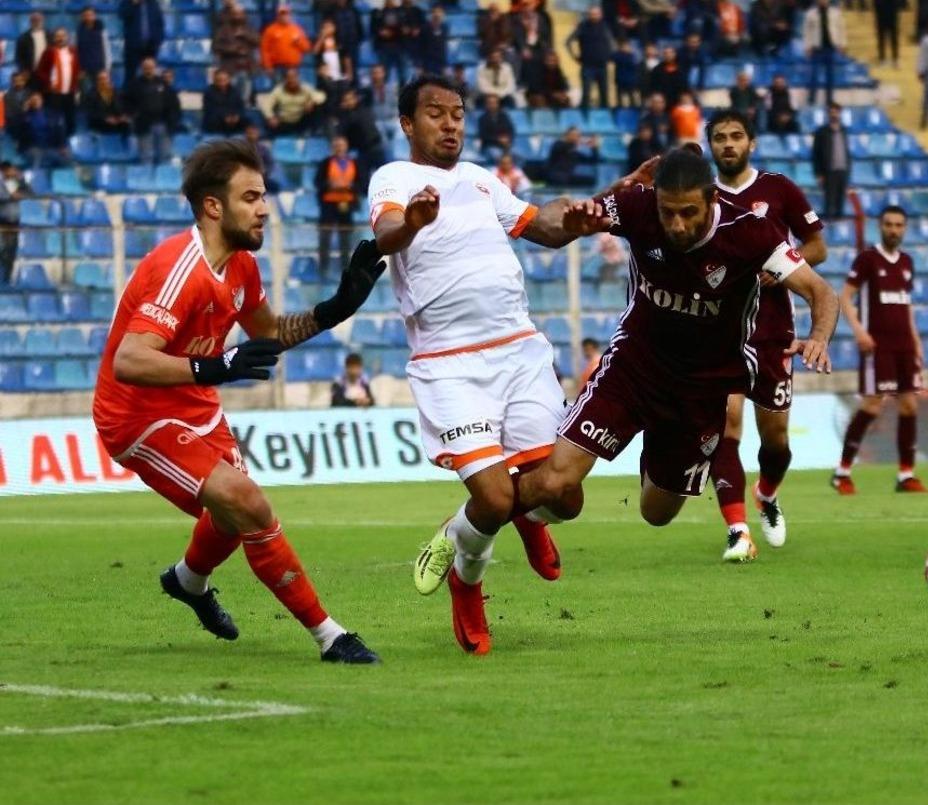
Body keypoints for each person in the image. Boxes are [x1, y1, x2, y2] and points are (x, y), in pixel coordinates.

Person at [91, 140, 386, 663]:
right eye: (251, 197)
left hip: (195, 403)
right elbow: (130, 361)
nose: (265, 208)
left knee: (231, 513)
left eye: (265, 196)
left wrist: (334, 310)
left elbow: (269, 332)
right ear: (213, 206)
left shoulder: (241, 267)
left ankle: (188, 581)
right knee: (247, 503)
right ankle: (330, 636)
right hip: (138, 415)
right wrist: (216, 366)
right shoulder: (178, 269)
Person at [507, 148, 836, 563]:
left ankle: (655, 451)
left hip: (701, 391)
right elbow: (554, 223)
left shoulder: (751, 232)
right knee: (555, 484)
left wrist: (819, 335)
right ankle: (473, 522)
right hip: (633, 369)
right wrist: (580, 217)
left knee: (656, 513)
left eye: (688, 213)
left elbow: (821, 292)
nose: (677, 225)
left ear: (712, 200)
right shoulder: (638, 205)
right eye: (668, 213)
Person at [369, 75, 595, 655]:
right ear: (407, 124)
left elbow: (539, 226)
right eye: (436, 114)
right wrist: (413, 222)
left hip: (519, 349)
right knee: (493, 499)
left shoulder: (479, 180)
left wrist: (590, 211)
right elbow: (387, 232)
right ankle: (467, 586)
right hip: (449, 362)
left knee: (565, 495)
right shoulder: (394, 179)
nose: (450, 125)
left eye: (458, 114)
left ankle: (527, 519)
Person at [706, 108, 832, 560]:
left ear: (751, 143)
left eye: (736, 136)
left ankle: (768, 494)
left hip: (773, 328)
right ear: (710, 145)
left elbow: (818, 246)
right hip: (718, 329)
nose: (728, 144)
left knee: (775, 441)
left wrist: (787, 267)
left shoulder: (778, 189)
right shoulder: (702, 198)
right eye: (719, 137)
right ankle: (737, 529)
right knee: (727, 424)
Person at [832, 205, 928, 495]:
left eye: (899, 225)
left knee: (910, 405)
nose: (894, 229)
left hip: (904, 345)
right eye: (889, 224)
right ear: (880, 226)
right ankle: (842, 472)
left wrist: (917, 342)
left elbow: (906, 305)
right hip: (878, 346)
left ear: (905, 229)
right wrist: (860, 331)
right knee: (872, 404)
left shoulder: (907, 262)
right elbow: (845, 297)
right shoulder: (868, 259)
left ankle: (906, 474)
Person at [316, 136, 362, 278]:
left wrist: (350, 186)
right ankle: (323, 269)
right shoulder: (326, 163)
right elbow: (318, 182)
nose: (339, 148)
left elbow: (361, 183)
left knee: (345, 238)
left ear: (346, 146)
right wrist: (330, 185)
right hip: (329, 204)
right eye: (336, 145)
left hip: (346, 204)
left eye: (342, 145)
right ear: (333, 147)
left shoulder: (354, 163)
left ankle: (346, 268)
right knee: (325, 237)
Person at [126, 57, 177, 165]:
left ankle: (164, 181)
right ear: (142, 68)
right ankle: (146, 181)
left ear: (155, 68)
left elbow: (173, 104)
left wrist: (171, 121)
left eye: (151, 67)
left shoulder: (163, 83)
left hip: (163, 124)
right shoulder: (134, 85)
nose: (148, 70)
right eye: (146, 67)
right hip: (144, 125)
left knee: (165, 156)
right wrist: (134, 115)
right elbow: (126, 102)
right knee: (146, 157)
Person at [566, 6, 614, 109]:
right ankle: (584, 118)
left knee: (604, 94)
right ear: (588, 15)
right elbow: (568, 42)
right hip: (588, 65)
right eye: (592, 14)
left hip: (602, 65)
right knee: (586, 94)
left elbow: (610, 43)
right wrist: (575, 56)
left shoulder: (605, 26)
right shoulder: (583, 26)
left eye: (596, 14)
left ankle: (604, 118)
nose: (594, 16)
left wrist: (609, 56)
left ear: (601, 15)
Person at [212, 5, 261, 105]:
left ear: (244, 15)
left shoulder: (249, 28)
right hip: (230, 70)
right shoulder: (223, 30)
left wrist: (245, 35)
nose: (237, 16)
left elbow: (258, 41)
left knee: (244, 100)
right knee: (229, 99)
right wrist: (232, 49)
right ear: (231, 15)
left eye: (240, 14)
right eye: (235, 14)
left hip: (246, 69)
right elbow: (215, 47)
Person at [35, 29, 79, 137]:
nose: (60, 38)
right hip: (54, 93)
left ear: (67, 38)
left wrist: (77, 84)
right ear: (54, 38)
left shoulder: (73, 51)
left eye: (63, 36)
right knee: (54, 119)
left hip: (70, 91)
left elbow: (77, 69)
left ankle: (70, 141)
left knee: (70, 118)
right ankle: (55, 142)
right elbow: (40, 71)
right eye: (58, 36)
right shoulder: (48, 52)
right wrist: (49, 84)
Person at [802, 0, 846, 106]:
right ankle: (811, 100)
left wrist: (842, 44)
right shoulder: (810, 14)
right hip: (816, 49)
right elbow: (806, 31)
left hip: (830, 48)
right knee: (814, 76)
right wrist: (807, 46)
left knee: (830, 76)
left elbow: (841, 28)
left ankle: (829, 100)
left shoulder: (836, 13)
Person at [811, 101, 850, 219]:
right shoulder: (821, 132)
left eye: (836, 112)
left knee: (840, 202)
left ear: (840, 113)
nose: (834, 115)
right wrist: (819, 173)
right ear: (828, 114)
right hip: (829, 172)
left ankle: (840, 229)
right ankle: (830, 231)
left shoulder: (844, 131)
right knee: (829, 203)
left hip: (842, 170)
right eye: (831, 112)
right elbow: (815, 154)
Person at [265, 68, 326, 137]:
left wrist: (311, 101)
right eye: (289, 77)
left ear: (298, 78)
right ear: (285, 79)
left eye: (294, 77)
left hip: (301, 120)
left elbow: (321, 96)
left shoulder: (305, 88)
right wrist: (270, 117)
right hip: (284, 121)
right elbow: (266, 104)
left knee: (318, 106)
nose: (292, 80)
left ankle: (315, 133)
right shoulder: (278, 90)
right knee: (268, 121)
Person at [0, 162, 31, 286]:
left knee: (10, 253)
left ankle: (6, 280)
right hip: (2, 223)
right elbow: (7, 196)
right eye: (12, 170)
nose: (15, 172)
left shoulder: (13, 182)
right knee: (2, 252)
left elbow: (29, 193)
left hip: (14, 223)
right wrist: (12, 196)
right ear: (5, 170)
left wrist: (21, 180)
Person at [119, 0, 164, 83]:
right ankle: (130, 95)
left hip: (151, 46)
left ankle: (148, 95)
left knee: (150, 75)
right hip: (132, 47)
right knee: (130, 76)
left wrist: (158, 40)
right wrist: (133, 4)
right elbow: (122, 15)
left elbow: (160, 23)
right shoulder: (127, 2)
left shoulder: (153, 3)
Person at [260, 5, 312, 76]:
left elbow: (306, 48)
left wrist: (298, 42)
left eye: (286, 14)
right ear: (277, 16)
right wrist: (268, 66)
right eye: (282, 14)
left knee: (292, 87)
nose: (284, 16)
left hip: (294, 68)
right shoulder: (270, 30)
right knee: (278, 87)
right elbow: (264, 50)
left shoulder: (297, 29)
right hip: (277, 67)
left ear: (290, 15)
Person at [371, 0, 407, 85]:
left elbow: (405, 28)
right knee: (384, 74)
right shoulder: (378, 12)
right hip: (384, 46)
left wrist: (393, 32)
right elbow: (373, 28)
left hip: (399, 45)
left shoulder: (401, 11)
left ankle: (404, 95)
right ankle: (383, 96)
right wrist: (380, 32)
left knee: (402, 75)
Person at [203, 68, 248, 135]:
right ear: (214, 81)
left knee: (248, 122)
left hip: (234, 122)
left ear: (229, 79)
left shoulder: (234, 91)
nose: (222, 83)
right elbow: (211, 110)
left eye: (225, 80)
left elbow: (240, 107)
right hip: (216, 123)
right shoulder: (209, 92)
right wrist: (224, 117)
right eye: (219, 81)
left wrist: (237, 116)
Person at [76, 7, 111, 90]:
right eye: (86, 15)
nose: (88, 17)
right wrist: (79, 69)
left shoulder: (101, 30)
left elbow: (106, 48)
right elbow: (77, 50)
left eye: (90, 15)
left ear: (94, 16)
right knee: (85, 94)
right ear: (82, 17)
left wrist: (107, 68)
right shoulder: (79, 32)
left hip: (100, 67)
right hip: (84, 69)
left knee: (104, 93)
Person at [15, 12, 49, 78]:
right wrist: (23, 70)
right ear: (30, 22)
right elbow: (18, 57)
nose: (36, 22)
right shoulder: (23, 38)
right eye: (34, 20)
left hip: (47, 73)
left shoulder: (50, 36)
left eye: (39, 20)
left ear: (43, 21)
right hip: (29, 74)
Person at [419, 4, 449, 76]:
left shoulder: (445, 28)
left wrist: (445, 65)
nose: (437, 14)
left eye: (439, 12)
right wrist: (421, 65)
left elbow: (444, 47)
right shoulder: (425, 28)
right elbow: (420, 47)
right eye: (435, 12)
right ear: (432, 14)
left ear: (443, 14)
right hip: (428, 64)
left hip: (440, 64)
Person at [613, 38, 643, 109]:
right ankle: (619, 109)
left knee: (632, 96)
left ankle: (634, 108)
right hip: (620, 79)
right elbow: (613, 58)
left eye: (627, 46)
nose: (625, 48)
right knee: (620, 97)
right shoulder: (618, 56)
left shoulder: (632, 56)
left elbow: (634, 66)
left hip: (631, 80)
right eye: (623, 46)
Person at [874, 0, 900, 67]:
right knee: (881, 38)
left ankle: (895, 59)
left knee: (894, 39)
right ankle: (882, 59)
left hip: (892, 17)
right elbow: (876, 4)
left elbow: (897, 4)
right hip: (881, 17)